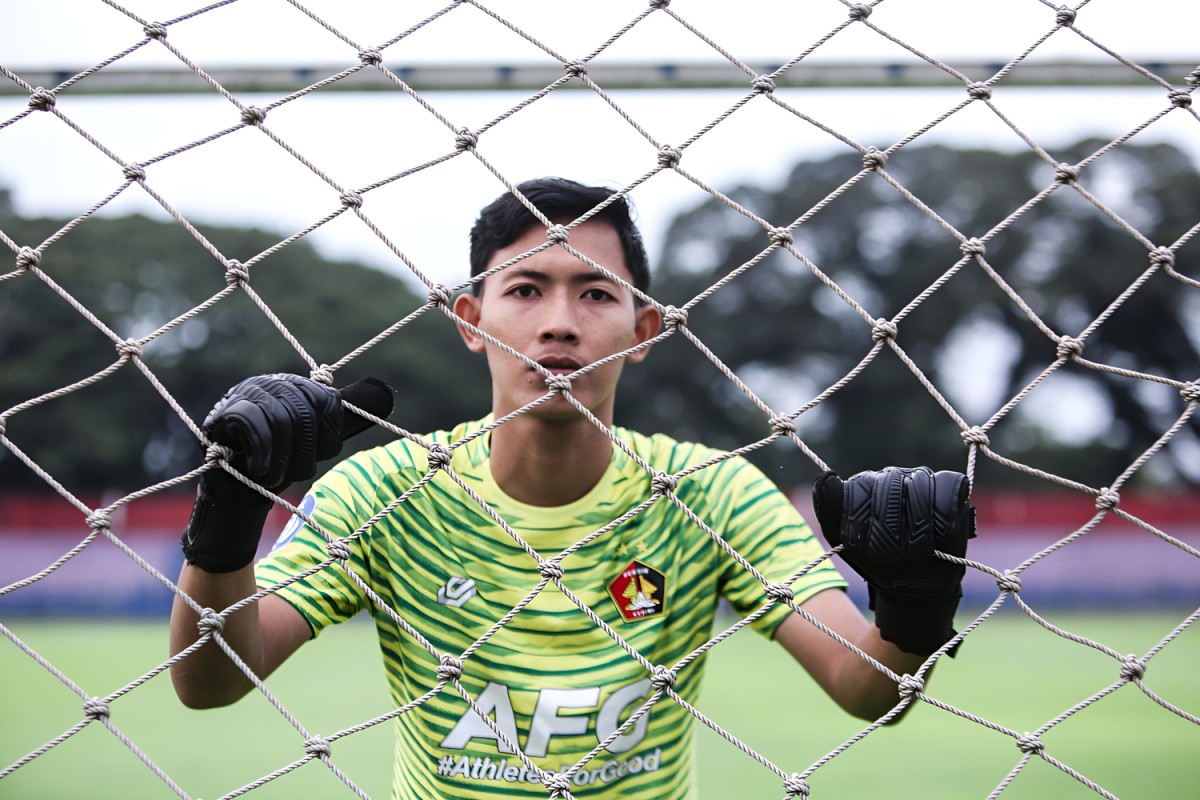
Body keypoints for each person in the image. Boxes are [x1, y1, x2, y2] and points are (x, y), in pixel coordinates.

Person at [169, 178, 973, 800]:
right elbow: (209, 683)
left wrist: (914, 602)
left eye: (594, 293)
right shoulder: (383, 490)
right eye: (525, 290)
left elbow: (867, 691)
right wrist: (231, 512)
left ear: (645, 328)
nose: (559, 322)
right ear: (470, 319)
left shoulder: (714, 493)